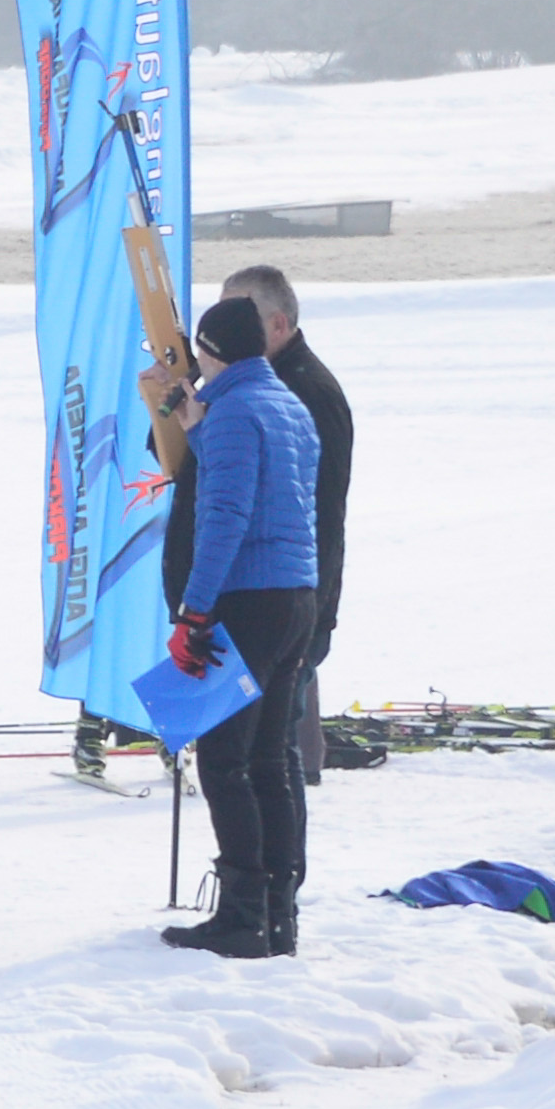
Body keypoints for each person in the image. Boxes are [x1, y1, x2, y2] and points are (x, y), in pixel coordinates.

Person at [162, 290, 329, 959]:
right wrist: (195, 426)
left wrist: (194, 610)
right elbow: (264, 486)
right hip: (296, 597)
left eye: (202, 355)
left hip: (247, 600)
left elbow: (226, 518)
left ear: (214, 352)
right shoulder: (286, 405)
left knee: (225, 760)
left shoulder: (235, 412)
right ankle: (278, 913)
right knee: (267, 758)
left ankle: (240, 915)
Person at [216, 262, 356, 852]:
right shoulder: (261, 384)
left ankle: (275, 880)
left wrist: (312, 609)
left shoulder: (303, 391)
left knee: (267, 755)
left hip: (288, 596)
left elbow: (316, 510)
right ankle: (272, 879)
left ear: (277, 324)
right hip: (277, 594)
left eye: (240, 317)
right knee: (264, 752)